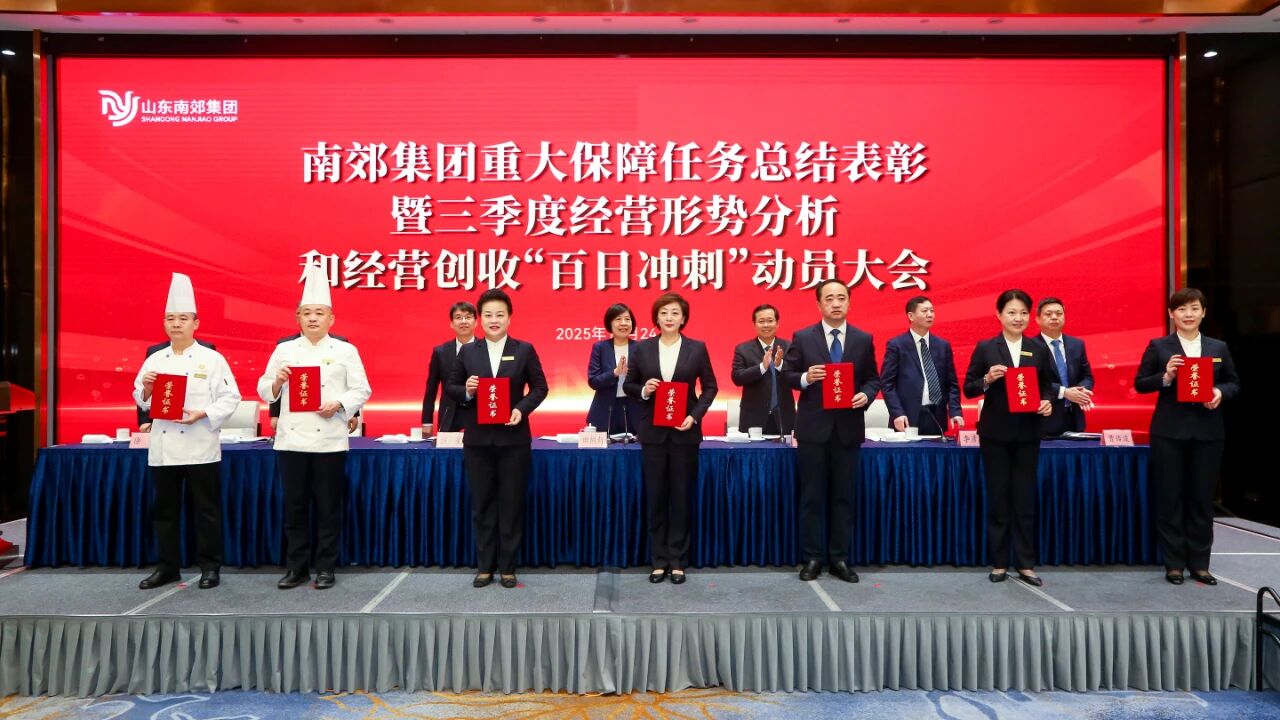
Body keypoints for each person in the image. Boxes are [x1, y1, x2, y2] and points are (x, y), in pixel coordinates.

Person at [258, 262, 371, 591]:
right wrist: (277, 382)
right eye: (306, 313)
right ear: (297, 318)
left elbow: (362, 389)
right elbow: (264, 390)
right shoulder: (284, 350)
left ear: (331, 319)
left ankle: (325, 567)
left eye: (319, 313)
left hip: (329, 440)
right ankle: (296, 567)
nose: (312, 318)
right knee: (294, 507)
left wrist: (339, 404)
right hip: (291, 441)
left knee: (327, 507)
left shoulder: (346, 350)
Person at [132, 272, 241, 590]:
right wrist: (147, 389)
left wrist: (203, 413)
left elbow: (230, 397)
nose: (176, 324)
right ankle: (167, 567)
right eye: (171, 319)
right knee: (164, 511)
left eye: (183, 318)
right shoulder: (155, 358)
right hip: (164, 447)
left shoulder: (213, 359)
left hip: (200, 444)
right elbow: (140, 397)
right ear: (164, 324)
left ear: (196, 323)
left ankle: (210, 567)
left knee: (206, 510)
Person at [1135, 287, 1241, 586]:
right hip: (1169, 432)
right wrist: (1166, 376)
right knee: (1170, 497)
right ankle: (1174, 564)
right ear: (1172, 314)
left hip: (1208, 433)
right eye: (1182, 309)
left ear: (1203, 312)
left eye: (1194, 308)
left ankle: (1200, 564)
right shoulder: (1159, 346)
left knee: (1201, 499)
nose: (1188, 314)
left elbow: (1234, 383)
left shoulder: (1218, 347)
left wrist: (1219, 392)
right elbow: (1141, 383)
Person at [446, 288, 548, 590]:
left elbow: (540, 388)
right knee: (482, 504)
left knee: (511, 504)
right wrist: (467, 390)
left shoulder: (524, 349)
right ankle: (484, 566)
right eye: (488, 315)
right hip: (478, 442)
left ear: (509, 318)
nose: (494, 320)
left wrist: (521, 409)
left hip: (513, 441)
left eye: (500, 315)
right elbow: (451, 387)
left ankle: (508, 567)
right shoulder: (468, 352)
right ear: (480, 319)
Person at [783, 279, 881, 584]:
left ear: (849, 302)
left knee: (843, 497)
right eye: (829, 298)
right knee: (811, 496)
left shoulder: (862, 339)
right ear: (819, 304)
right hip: (813, 429)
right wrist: (805, 378)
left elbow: (873, 378)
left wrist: (866, 394)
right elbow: (787, 375)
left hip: (847, 429)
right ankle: (812, 557)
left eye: (841, 298)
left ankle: (839, 558)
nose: (836, 303)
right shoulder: (803, 337)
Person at [963, 289, 1055, 586]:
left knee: (1024, 499)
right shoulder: (986, 348)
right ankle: (1000, 562)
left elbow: (1049, 385)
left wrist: (1047, 401)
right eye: (1012, 312)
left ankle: (1026, 564)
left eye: (1023, 313)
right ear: (999, 315)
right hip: (996, 434)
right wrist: (987, 379)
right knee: (999, 498)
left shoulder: (1038, 348)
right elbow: (969, 388)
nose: (1018, 318)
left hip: (1028, 433)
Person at [625, 292, 718, 585]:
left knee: (680, 497)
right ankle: (658, 560)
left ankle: (677, 560)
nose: (669, 318)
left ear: (683, 318)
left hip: (684, 432)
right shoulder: (642, 348)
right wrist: (644, 390)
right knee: (656, 497)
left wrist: (695, 415)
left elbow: (711, 387)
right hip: (653, 433)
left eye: (675, 313)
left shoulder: (697, 348)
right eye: (664, 312)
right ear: (656, 317)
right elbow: (629, 385)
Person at [880, 295, 963, 436]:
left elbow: (952, 384)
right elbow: (887, 384)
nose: (930, 314)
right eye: (924, 311)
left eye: (932, 310)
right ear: (911, 316)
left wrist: (955, 411)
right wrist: (897, 413)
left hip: (936, 415)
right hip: (906, 417)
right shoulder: (897, 345)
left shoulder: (942, 346)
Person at [730, 304, 796, 436]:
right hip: (753, 418)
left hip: (784, 417)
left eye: (770, 321)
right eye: (761, 321)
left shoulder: (789, 347)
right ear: (754, 325)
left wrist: (780, 365)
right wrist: (761, 367)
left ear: (777, 323)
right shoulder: (743, 349)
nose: (766, 325)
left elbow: (797, 375)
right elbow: (737, 377)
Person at [1035, 297, 1095, 436]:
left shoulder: (1077, 344)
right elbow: (1032, 381)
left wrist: (1081, 391)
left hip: (1074, 419)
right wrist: (1064, 392)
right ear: (1038, 319)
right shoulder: (1028, 347)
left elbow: (1087, 376)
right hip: (1044, 420)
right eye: (1048, 314)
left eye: (1059, 313)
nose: (1054, 317)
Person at [585, 303, 642, 436]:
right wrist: (614, 373)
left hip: (634, 410)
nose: (623, 323)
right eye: (618, 319)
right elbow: (593, 381)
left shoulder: (640, 348)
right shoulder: (600, 347)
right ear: (609, 323)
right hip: (606, 409)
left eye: (627, 319)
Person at [422, 302, 478, 435]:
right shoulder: (441, 352)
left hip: (478, 415)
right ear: (451, 323)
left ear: (476, 322)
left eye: (468, 317)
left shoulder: (487, 349)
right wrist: (427, 422)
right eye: (458, 317)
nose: (463, 321)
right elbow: (431, 389)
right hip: (449, 415)